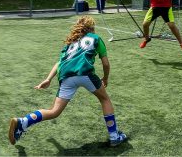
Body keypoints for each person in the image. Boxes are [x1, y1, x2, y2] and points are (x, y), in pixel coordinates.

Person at [8, 16, 127, 147]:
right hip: (85, 73)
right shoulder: (96, 38)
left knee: (54, 111)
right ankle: (114, 136)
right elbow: (105, 64)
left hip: (66, 76)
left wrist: (48, 79)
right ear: (92, 28)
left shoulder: (70, 43)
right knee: (105, 100)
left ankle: (23, 121)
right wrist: (105, 78)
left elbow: (59, 62)